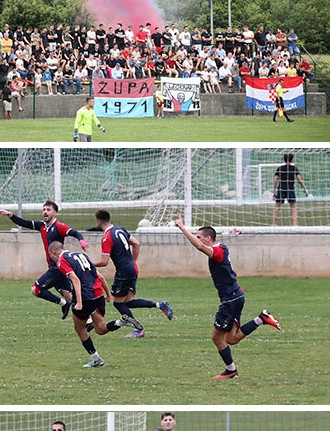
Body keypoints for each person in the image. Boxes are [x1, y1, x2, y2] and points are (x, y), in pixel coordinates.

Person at [175, 219, 282, 378]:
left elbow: (199, 247)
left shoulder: (217, 252)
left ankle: (231, 371)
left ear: (208, 238)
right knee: (232, 338)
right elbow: (202, 246)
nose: (197, 239)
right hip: (235, 297)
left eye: (199, 236)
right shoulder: (221, 248)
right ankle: (261, 319)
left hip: (230, 300)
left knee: (216, 337)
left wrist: (182, 228)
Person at [0, 201, 88, 317]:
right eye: (44, 210)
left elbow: (75, 233)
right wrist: (10, 215)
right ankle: (88, 320)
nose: (45, 212)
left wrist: (82, 241)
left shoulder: (59, 226)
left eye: (48, 210)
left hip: (57, 267)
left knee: (36, 289)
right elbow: (24, 223)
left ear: (54, 213)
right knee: (70, 297)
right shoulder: (42, 226)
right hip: (56, 267)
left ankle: (63, 303)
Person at [52, 239, 134, 368]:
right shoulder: (82, 255)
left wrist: (79, 302)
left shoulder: (62, 261)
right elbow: (100, 276)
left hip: (85, 297)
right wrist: (108, 294)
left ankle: (96, 359)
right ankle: (121, 321)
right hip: (98, 295)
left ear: (53, 252)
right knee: (100, 329)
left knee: (79, 329)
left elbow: (75, 280)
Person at [91, 209, 172, 337]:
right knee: (127, 302)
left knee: (118, 303)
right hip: (133, 268)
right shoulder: (120, 229)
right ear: (109, 219)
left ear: (98, 222)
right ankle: (159, 305)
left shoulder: (107, 238)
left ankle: (138, 329)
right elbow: (136, 244)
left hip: (123, 271)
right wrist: (132, 261)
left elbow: (104, 262)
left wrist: (88, 264)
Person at [272, 151, 310, 226]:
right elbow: (299, 180)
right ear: (292, 159)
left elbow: (276, 180)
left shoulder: (280, 168)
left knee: (277, 207)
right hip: (290, 189)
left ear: (284, 159)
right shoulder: (294, 168)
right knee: (293, 208)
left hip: (281, 189)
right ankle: (294, 225)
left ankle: (274, 224)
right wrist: (305, 189)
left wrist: (274, 190)